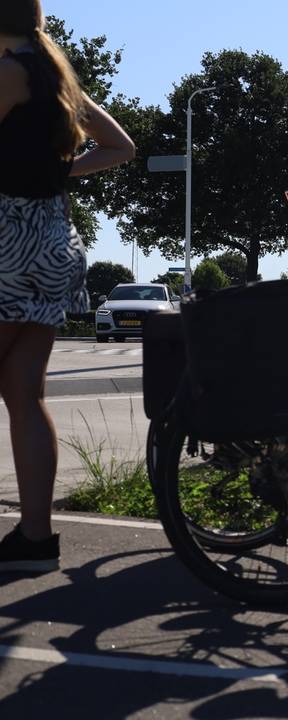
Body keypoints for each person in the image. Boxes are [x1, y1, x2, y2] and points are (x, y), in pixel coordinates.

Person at [0, 0, 134, 572]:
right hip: (54, 243)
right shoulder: (57, 76)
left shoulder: (8, 72)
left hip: (7, 242)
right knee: (24, 394)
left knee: (24, 394)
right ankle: (35, 539)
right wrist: (59, 170)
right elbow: (121, 147)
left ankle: (33, 538)